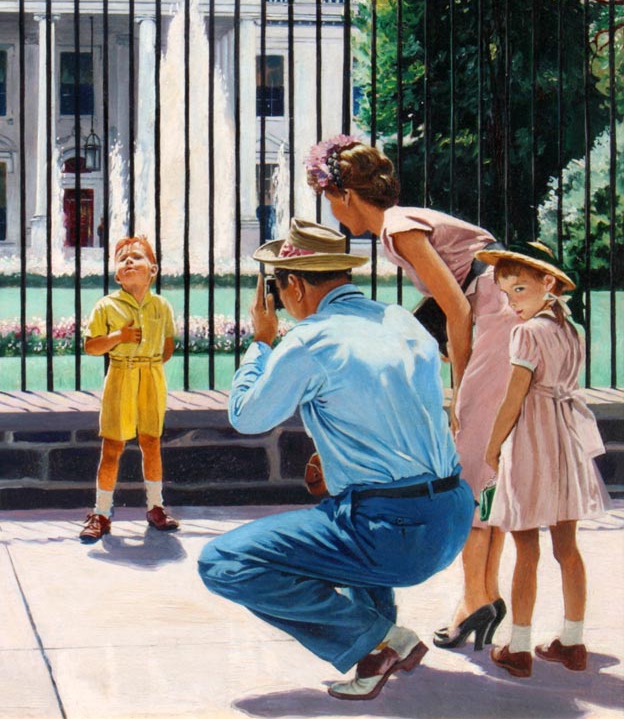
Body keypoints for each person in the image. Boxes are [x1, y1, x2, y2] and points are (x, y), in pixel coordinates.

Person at [198, 218, 474, 701]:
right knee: (346, 510)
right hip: (451, 516)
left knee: (224, 561)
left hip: (392, 532)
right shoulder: (401, 321)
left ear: (296, 286)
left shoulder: (310, 340)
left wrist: (262, 341)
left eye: (278, 289)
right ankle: (379, 646)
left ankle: (376, 643)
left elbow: (247, 416)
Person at [304, 135, 517, 649]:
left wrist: (460, 390)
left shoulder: (396, 228)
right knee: (485, 467)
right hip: (493, 309)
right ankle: (482, 595)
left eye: (330, 199)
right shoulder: (399, 226)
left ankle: (475, 599)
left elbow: (460, 311)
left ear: (347, 195)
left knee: (469, 462)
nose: (332, 211)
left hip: (494, 316)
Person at [479, 242, 606, 678]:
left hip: (533, 441)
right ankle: (573, 641)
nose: (512, 303)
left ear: (547, 284)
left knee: (526, 548)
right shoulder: (572, 330)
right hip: (565, 441)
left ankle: (518, 647)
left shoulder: (528, 333)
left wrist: (493, 447)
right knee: (567, 547)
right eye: (506, 294)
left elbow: (513, 400)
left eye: (519, 290)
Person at [79, 234, 179, 541]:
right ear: (117, 274)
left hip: (150, 378)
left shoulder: (161, 306)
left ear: (153, 269)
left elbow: (168, 346)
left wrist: (149, 367)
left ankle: (155, 506)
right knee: (113, 447)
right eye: (123, 259)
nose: (129, 261)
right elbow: (92, 346)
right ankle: (102, 512)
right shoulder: (107, 306)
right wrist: (118, 338)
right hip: (121, 376)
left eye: (136, 256)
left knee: (152, 444)